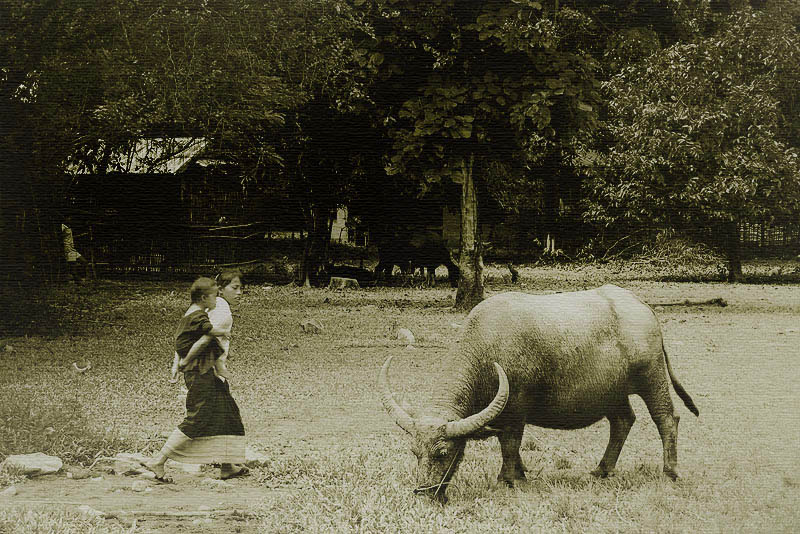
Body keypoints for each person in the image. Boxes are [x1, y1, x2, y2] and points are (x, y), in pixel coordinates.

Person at [141, 276, 247, 482]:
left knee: (227, 414)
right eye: (234, 288)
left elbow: (183, 338)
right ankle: (159, 460)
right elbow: (203, 340)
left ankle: (227, 466)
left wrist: (178, 362)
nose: (239, 292)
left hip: (207, 370)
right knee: (198, 416)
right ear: (220, 290)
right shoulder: (220, 310)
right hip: (202, 370)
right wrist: (184, 362)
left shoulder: (203, 309)